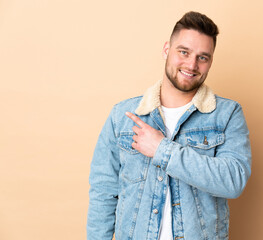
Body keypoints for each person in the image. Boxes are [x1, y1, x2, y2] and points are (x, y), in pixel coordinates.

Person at [87, 11, 252, 240]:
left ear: (210, 61)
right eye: (184, 52)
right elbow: (103, 193)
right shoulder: (122, 116)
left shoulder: (227, 114)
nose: (192, 64)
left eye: (202, 57)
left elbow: (233, 181)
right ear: (167, 49)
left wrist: (162, 150)